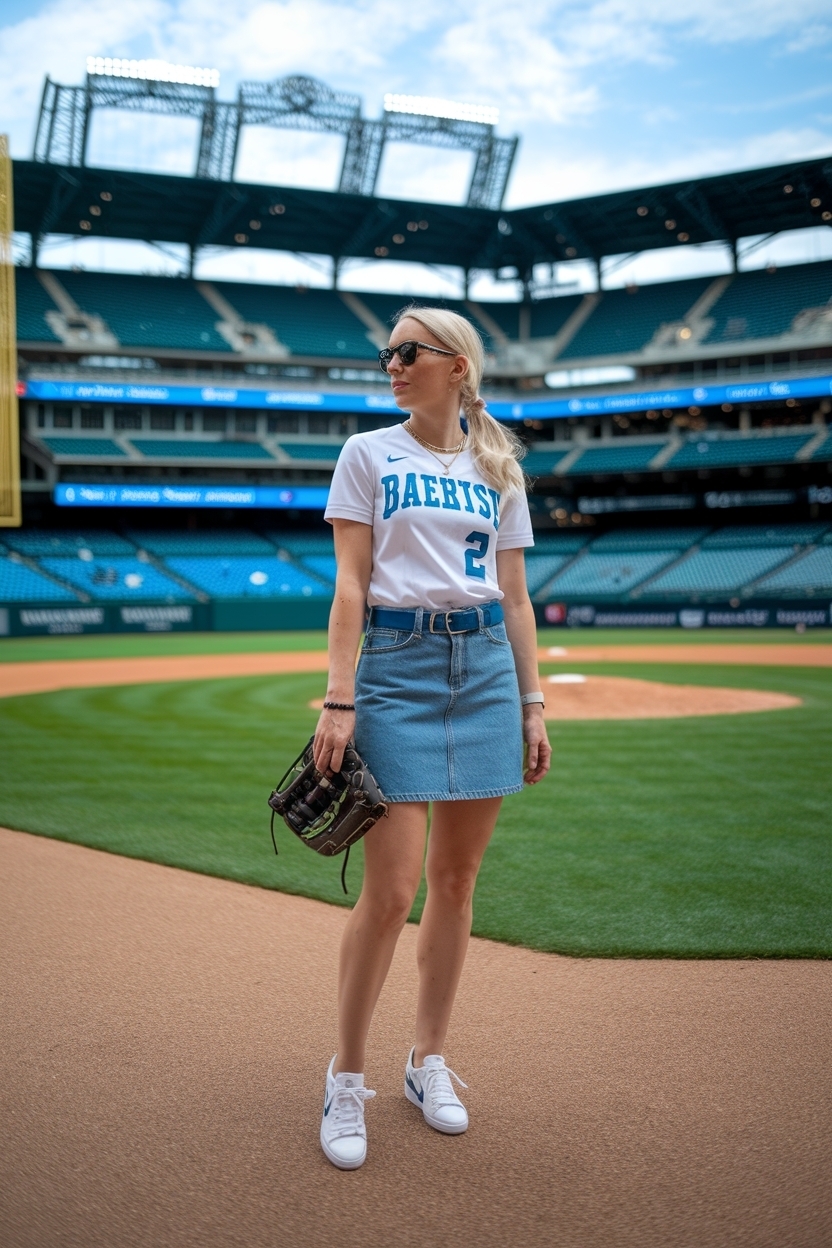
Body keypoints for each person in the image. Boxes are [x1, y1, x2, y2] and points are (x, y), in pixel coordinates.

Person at [314, 305, 551, 1170]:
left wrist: (532, 701)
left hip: (485, 669)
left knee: (455, 881)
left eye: (408, 351)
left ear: (457, 364)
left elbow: (517, 595)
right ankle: (345, 1077)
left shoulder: (499, 465)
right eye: (387, 353)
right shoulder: (368, 454)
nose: (392, 364)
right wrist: (340, 699)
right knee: (390, 890)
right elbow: (349, 583)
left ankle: (428, 1062)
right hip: (399, 670)